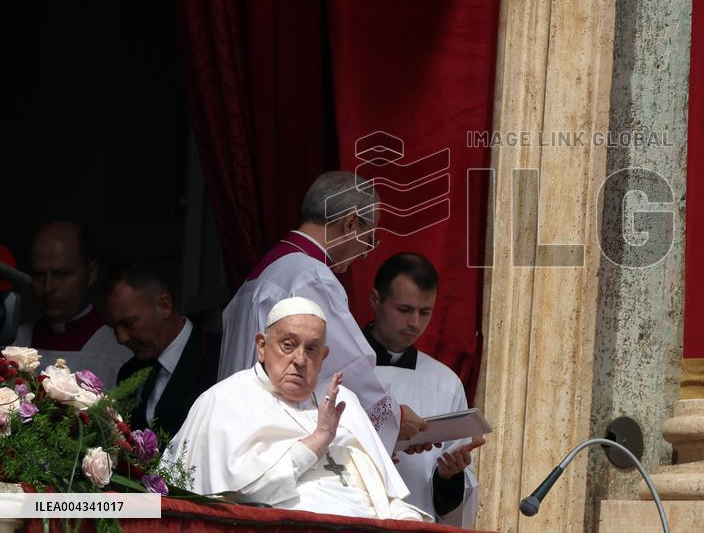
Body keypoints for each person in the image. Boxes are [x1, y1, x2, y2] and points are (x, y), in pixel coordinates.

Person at [167, 297, 430, 521]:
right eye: (288, 345)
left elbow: (381, 493)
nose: (300, 360)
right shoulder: (225, 400)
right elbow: (239, 499)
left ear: (323, 356)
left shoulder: (343, 400)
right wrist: (317, 441)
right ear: (261, 346)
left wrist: (407, 519)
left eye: (312, 349)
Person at [217, 171, 426, 452]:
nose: (366, 253)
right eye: (369, 237)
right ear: (351, 222)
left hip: (235, 430)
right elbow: (345, 366)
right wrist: (393, 419)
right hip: (274, 439)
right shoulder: (308, 275)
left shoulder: (267, 272)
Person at [365, 253, 483, 527]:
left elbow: (456, 503)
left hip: (417, 519)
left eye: (425, 312)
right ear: (375, 300)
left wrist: (449, 478)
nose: (415, 323)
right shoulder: (340, 366)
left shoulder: (444, 382)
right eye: (404, 310)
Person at [97, 261, 220, 437]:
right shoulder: (129, 372)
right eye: (113, 328)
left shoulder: (219, 357)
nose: (121, 338)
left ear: (164, 305)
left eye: (129, 323)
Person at [13, 221, 131, 386]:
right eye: (39, 275)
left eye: (62, 274)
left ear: (91, 273)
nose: (48, 288)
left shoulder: (121, 350)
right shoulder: (13, 342)